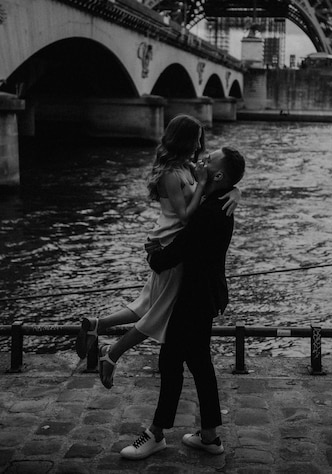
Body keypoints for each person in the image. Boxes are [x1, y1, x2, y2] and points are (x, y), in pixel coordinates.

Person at [75, 115, 240, 388]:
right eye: (197, 138)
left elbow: (221, 179)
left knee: (148, 303)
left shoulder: (187, 166)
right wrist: (200, 184)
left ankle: (97, 324)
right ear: (185, 140)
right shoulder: (171, 174)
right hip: (169, 245)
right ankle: (112, 354)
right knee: (159, 312)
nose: (201, 144)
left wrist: (236, 191)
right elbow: (187, 217)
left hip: (170, 242)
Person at [119, 145, 245, 461]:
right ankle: (209, 437)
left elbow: (177, 253)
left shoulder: (208, 212)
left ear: (216, 174)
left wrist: (152, 253)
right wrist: (237, 190)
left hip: (194, 299)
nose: (201, 161)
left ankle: (156, 434)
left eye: (208, 160)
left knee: (172, 362)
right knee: (199, 364)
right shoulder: (218, 199)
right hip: (205, 295)